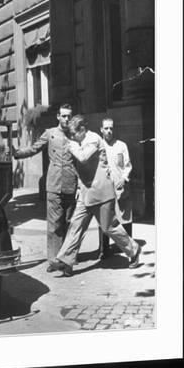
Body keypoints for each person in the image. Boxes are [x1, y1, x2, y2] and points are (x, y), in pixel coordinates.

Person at [51, 115, 141, 277]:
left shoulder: (93, 139)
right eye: (70, 135)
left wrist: (70, 144)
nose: (72, 137)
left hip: (101, 193)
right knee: (75, 226)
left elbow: (83, 158)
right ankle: (65, 261)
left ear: (82, 130)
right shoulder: (78, 141)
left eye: (74, 134)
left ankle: (133, 250)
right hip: (86, 193)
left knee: (109, 228)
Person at [13, 104, 78, 271]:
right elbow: (34, 148)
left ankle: (67, 258)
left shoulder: (76, 135)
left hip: (71, 184)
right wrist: (17, 153)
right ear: (58, 116)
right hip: (54, 184)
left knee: (70, 223)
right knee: (54, 224)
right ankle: (54, 260)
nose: (66, 119)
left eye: (69, 116)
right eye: (63, 116)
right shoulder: (50, 134)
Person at [98, 117, 133, 258]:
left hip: (120, 186)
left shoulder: (121, 145)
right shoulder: (98, 146)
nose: (109, 131)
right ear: (101, 130)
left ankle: (128, 247)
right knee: (105, 218)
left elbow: (128, 165)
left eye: (111, 128)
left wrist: (124, 179)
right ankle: (103, 249)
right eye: (106, 128)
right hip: (105, 187)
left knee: (124, 217)